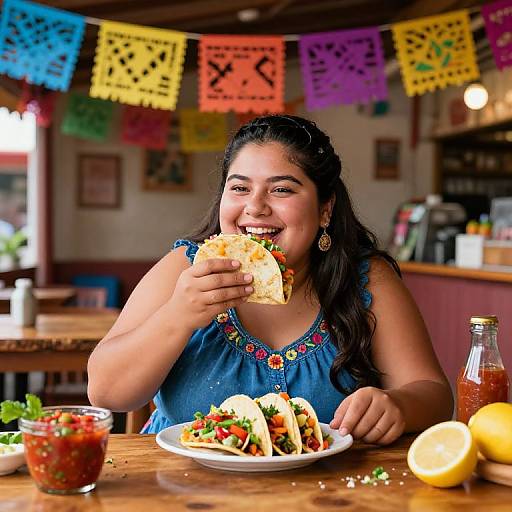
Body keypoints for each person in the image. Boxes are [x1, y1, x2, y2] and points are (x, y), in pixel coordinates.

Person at [87, 115, 453, 444]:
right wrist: (178, 315)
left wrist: (398, 405)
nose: (255, 206)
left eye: (281, 189)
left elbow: (434, 393)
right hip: (182, 488)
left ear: (325, 209)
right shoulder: (185, 268)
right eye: (240, 188)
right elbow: (106, 394)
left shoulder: (367, 280)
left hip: (327, 496)